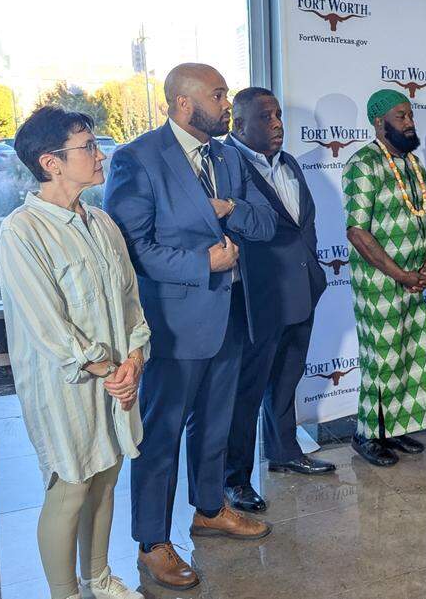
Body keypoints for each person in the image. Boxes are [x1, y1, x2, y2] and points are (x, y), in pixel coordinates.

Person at [104, 63, 276, 590]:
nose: (227, 105)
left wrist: (232, 208)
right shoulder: (137, 158)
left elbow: (265, 222)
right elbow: (131, 249)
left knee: (215, 423)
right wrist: (204, 263)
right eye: (218, 95)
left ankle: (209, 508)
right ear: (183, 103)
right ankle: (152, 542)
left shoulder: (228, 156)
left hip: (230, 317)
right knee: (161, 435)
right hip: (172, 326)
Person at [0, 106, 148, 599]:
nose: (100, 155)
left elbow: (131, 301)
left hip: (118, 377)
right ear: (51, 162)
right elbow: (47, 325)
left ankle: (98, 579)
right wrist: (109, 369)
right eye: (87, 147)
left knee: (106, 476)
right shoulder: (22, 231)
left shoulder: (102, 222)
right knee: (71, 486)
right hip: (65, 383)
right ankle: (64, 593)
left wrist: (133, 360)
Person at [222, 87, 335, 515]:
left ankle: (285, 451)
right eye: (266, 117)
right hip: (255, 300)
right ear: (238, 125)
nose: (277, 125)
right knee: (246, 394)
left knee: (287, 379)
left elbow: (303, 224)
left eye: (279, 115)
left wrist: (315, 272)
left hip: (301, 292)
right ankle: (235, 480)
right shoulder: (224, 165)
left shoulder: (288, 163)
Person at [342, 89, 426, 466]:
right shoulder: (363, 163)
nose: (410, 123)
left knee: (409, 352)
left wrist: (424, 266)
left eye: (410, 115)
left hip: (411, 279)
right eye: (401, 116)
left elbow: (420, 220)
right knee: (380, 357)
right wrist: (400, 274)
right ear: (378, 121)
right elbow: (357, 232)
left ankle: (394, 428)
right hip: (379, 282)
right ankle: (367, 434)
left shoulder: (414, 164)